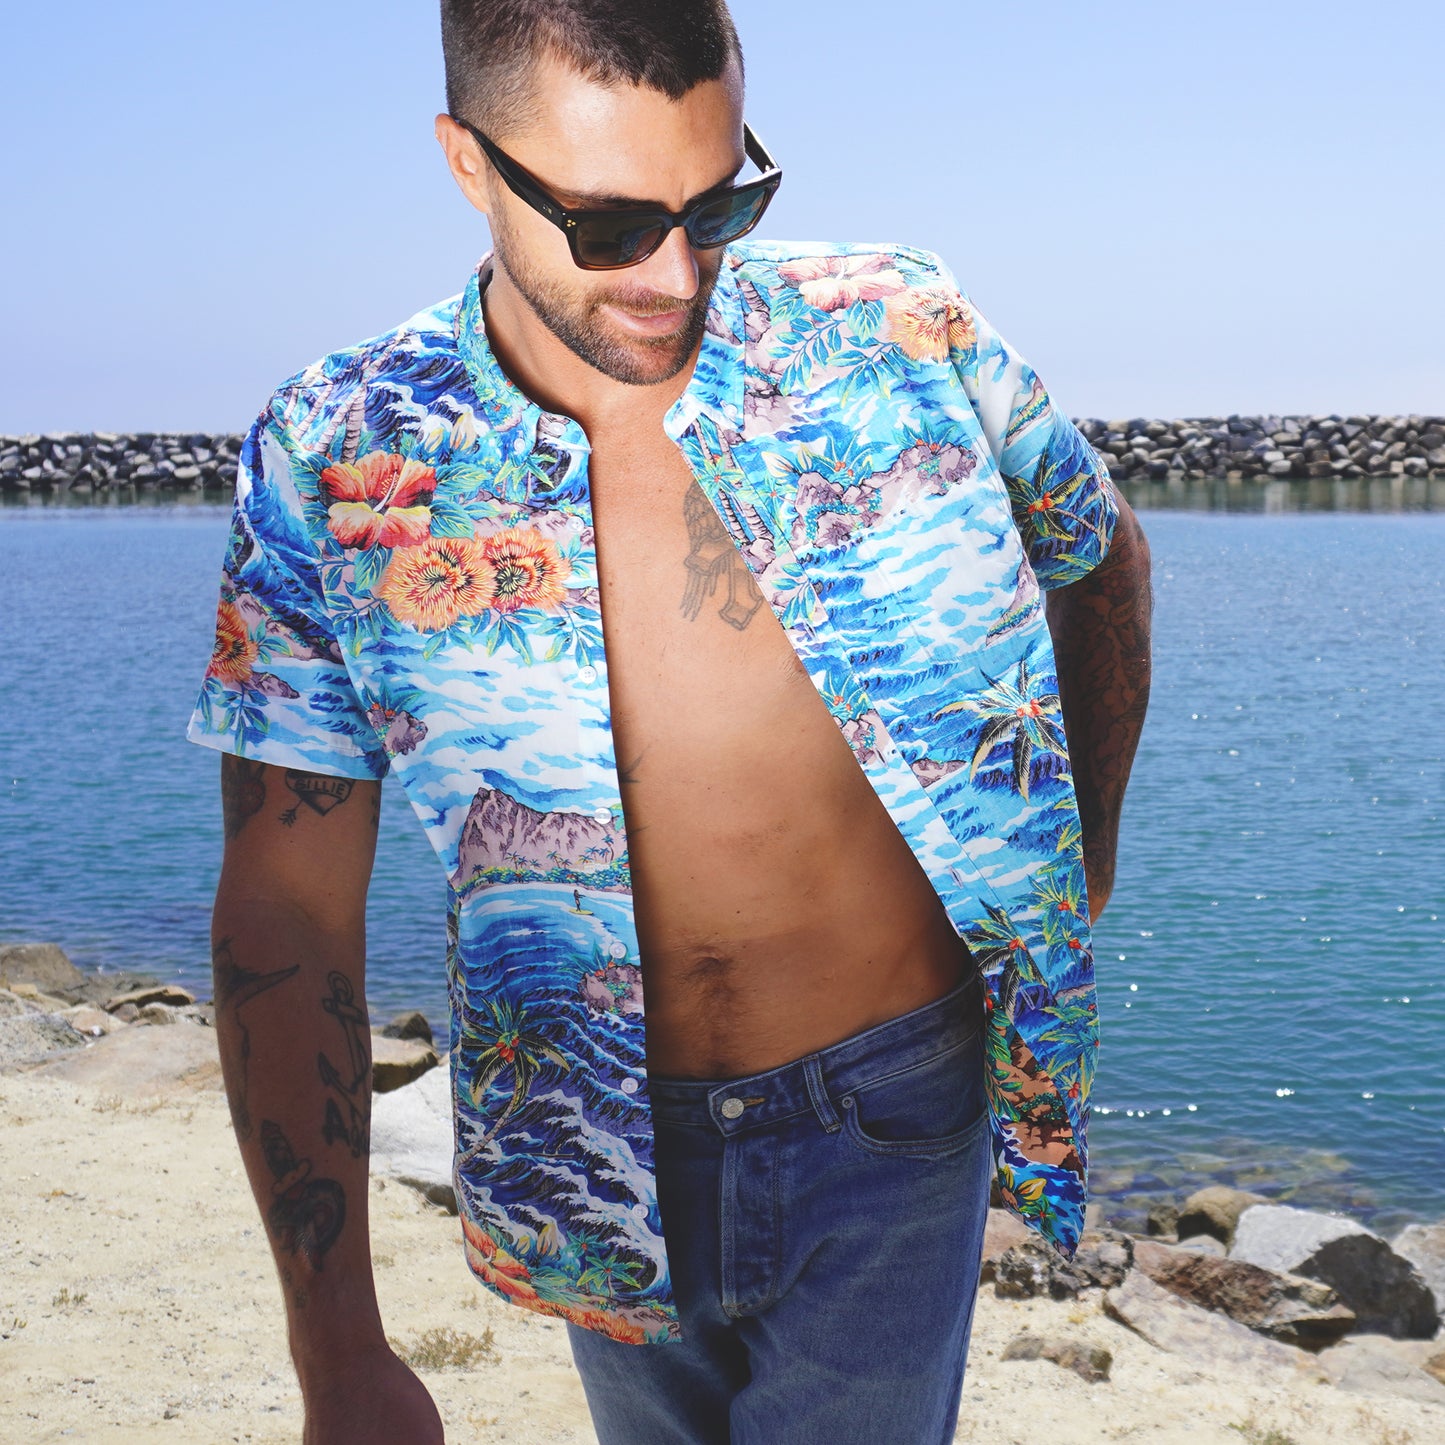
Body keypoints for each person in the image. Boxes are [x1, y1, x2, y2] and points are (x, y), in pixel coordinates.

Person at [187, 2, 1153, 1441]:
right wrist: (337, 1350)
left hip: (894, 1099)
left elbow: (1102, 556)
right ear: (466, 161)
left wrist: (1084, 850)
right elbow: (286, 909)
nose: (675, 273)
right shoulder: (338, 447)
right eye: (611, 225)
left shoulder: (896, 325)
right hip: (582, 1134)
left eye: (717, 204)